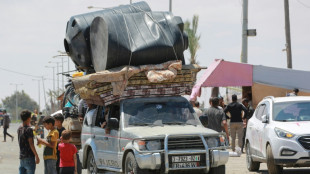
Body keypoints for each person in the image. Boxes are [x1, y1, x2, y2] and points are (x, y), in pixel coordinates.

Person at [18, 110, 40, 174]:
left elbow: (26, 130)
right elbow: (31, 144)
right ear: (28, 118)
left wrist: (34, 129)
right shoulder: (29, 129)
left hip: (22, 157)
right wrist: (36, 156)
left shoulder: (19, 128)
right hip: (29, 157)